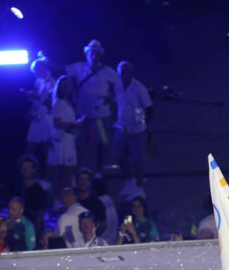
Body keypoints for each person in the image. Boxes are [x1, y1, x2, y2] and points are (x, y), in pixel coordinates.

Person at [69, 39, 122, 172]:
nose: (94, 55)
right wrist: (46, 60)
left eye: (97, 53)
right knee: (77, 145)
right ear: (87, 53)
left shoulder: (107, 71)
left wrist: (111, 98)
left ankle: (99, 173)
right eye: (92, 52)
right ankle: (78, 172)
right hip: (82, 116)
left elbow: (120, 85)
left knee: (102, 145)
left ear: (100, 55)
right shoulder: (79, 67)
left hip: (100, 116)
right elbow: (62, 67)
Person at [114, 61, 154, 199]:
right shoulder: (117, 86)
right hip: (121, 126)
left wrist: (140, 122)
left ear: (131, 72)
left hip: (137, 129)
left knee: (138, 159)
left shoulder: (139, 88)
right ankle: (130, 181)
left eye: (126, 71)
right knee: (119, 156)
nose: (124, 74)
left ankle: (139, 188)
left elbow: (147, 107)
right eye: (121, 71)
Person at [23, 53, 55, 172]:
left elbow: (52, 101)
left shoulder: (52, 82)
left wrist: (37, 97)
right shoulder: (38, 80)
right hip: (36, 118)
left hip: (46, 118)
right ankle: (29, 172)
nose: (35, 73)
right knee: (30, 148)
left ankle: (48, 177)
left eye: (36, 71)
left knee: (47, 149)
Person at [48, 75, 80, 192]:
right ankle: (59, 198)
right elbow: (57, 122)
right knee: (63, 171)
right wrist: (74, 125)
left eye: (68, 85)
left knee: (69, 171)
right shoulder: (58, 103)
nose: (67, 88)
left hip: (69, 140)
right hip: (62, 141)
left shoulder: (69, 103)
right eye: (64, 85)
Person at [17, 155, 49, 233]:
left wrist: (33, 235)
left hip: (32, 230)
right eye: (23, 168)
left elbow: (39, 217)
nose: (26, 170)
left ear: (34, 170)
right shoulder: (18, 188)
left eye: (28, 168)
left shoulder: (39, 191)